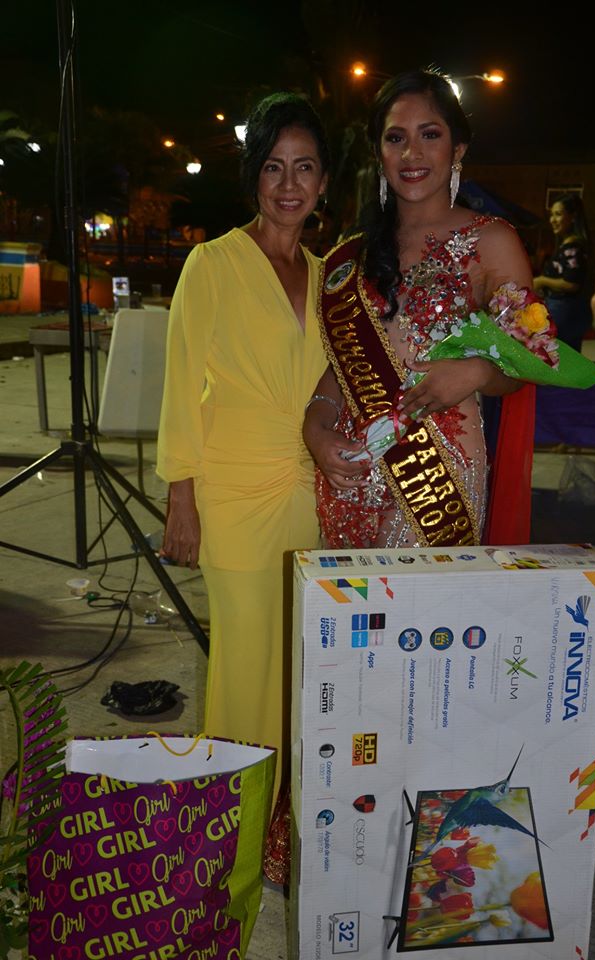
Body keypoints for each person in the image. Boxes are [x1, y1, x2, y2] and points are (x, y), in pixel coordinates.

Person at [156, 93, 329, 845]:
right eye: (273, 167)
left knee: (299, 663)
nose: (288, 185)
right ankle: (226, 829)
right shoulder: (213, 263)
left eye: (304, 168)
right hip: (232, 489)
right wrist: (181, 498)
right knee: (244, 661)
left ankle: (280, 824)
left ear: (324, 181)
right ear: (253, 175)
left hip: (310, 491)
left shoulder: (329, 276)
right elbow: (180, 383)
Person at [303, 68, 548, 549]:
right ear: (379, 152)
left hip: (437, 477)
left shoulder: (491, 241)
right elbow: (343, 365)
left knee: (425, 597)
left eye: (429, 135)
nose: (411, 153)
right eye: (396, 138)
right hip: (350, 466)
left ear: (458, 149)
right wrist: (315, 427)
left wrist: (476, 371)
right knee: (349, 599)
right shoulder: (352, 252)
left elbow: (530, 355)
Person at [533, 193, 595, 352]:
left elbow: (571, 283)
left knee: (556, 358)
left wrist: (541, 281)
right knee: (567, 357)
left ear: (573, 217)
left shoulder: (573, 247)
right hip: (571, 312)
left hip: (565, 312)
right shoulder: (574, 245)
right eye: (551, 215)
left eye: (558, 214)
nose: (552, 220)